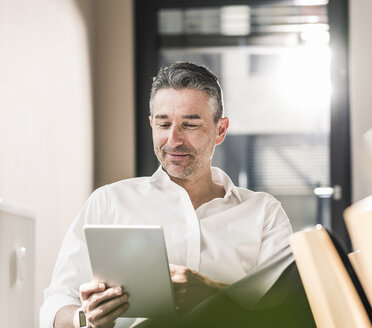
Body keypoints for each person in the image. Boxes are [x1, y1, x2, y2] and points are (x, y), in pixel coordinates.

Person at [40, 62, 294, 328]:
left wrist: (213, 292)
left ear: (220, 130)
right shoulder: (108, 202)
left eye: (190, 125)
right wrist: (85, 318)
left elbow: (287, 312)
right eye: (163, 124)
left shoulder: (264, 212)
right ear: (151, 124)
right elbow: (56, 303)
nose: (174, 140)